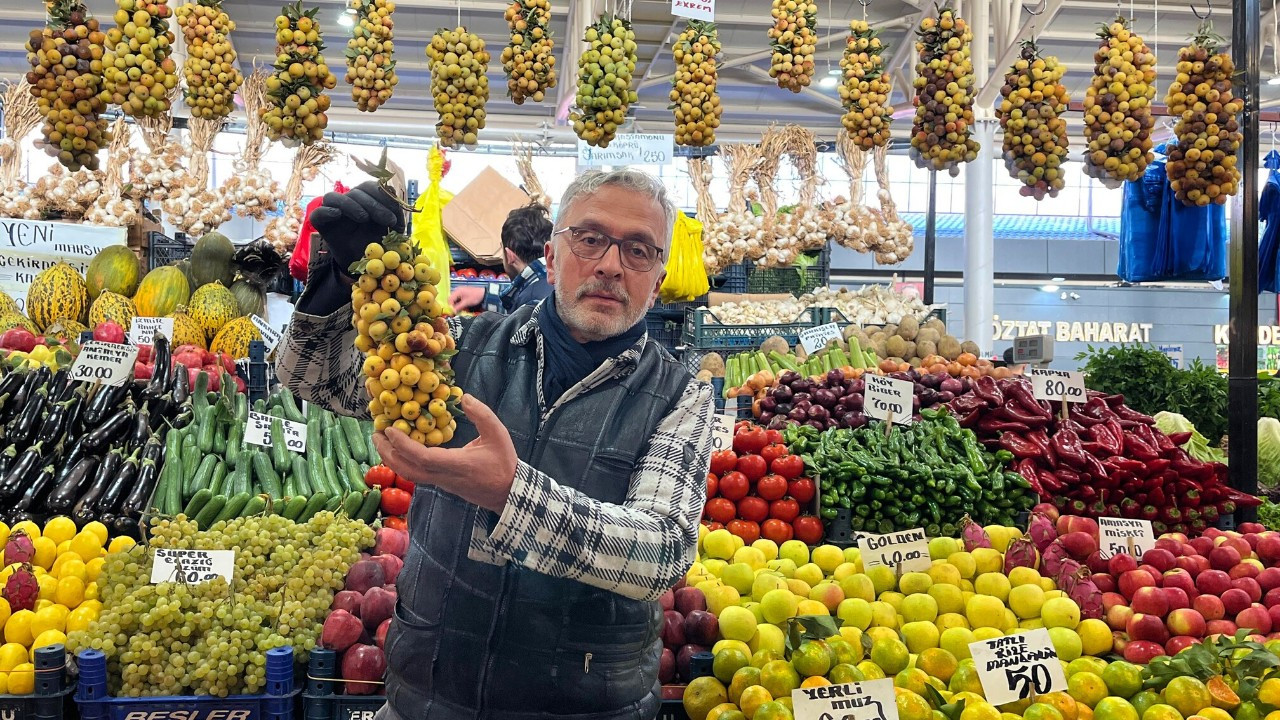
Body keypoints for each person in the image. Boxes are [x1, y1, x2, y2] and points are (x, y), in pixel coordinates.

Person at [276, 168, 714, 720]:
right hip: (429, 695)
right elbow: (320, 383)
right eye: (590, 238)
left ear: (657, 278)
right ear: (551, 257)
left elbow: (661, 552)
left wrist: (511, 495)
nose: (609, 264)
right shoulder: (463, 344)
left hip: (584, 705)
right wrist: (339, 284)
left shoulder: (682, 395)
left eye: (639, 250)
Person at [448, 202, 554, 313]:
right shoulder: (553, 283)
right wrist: (484, 295)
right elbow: (519, 296)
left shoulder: (530, 304)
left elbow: (523, 309)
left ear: (509, 256)